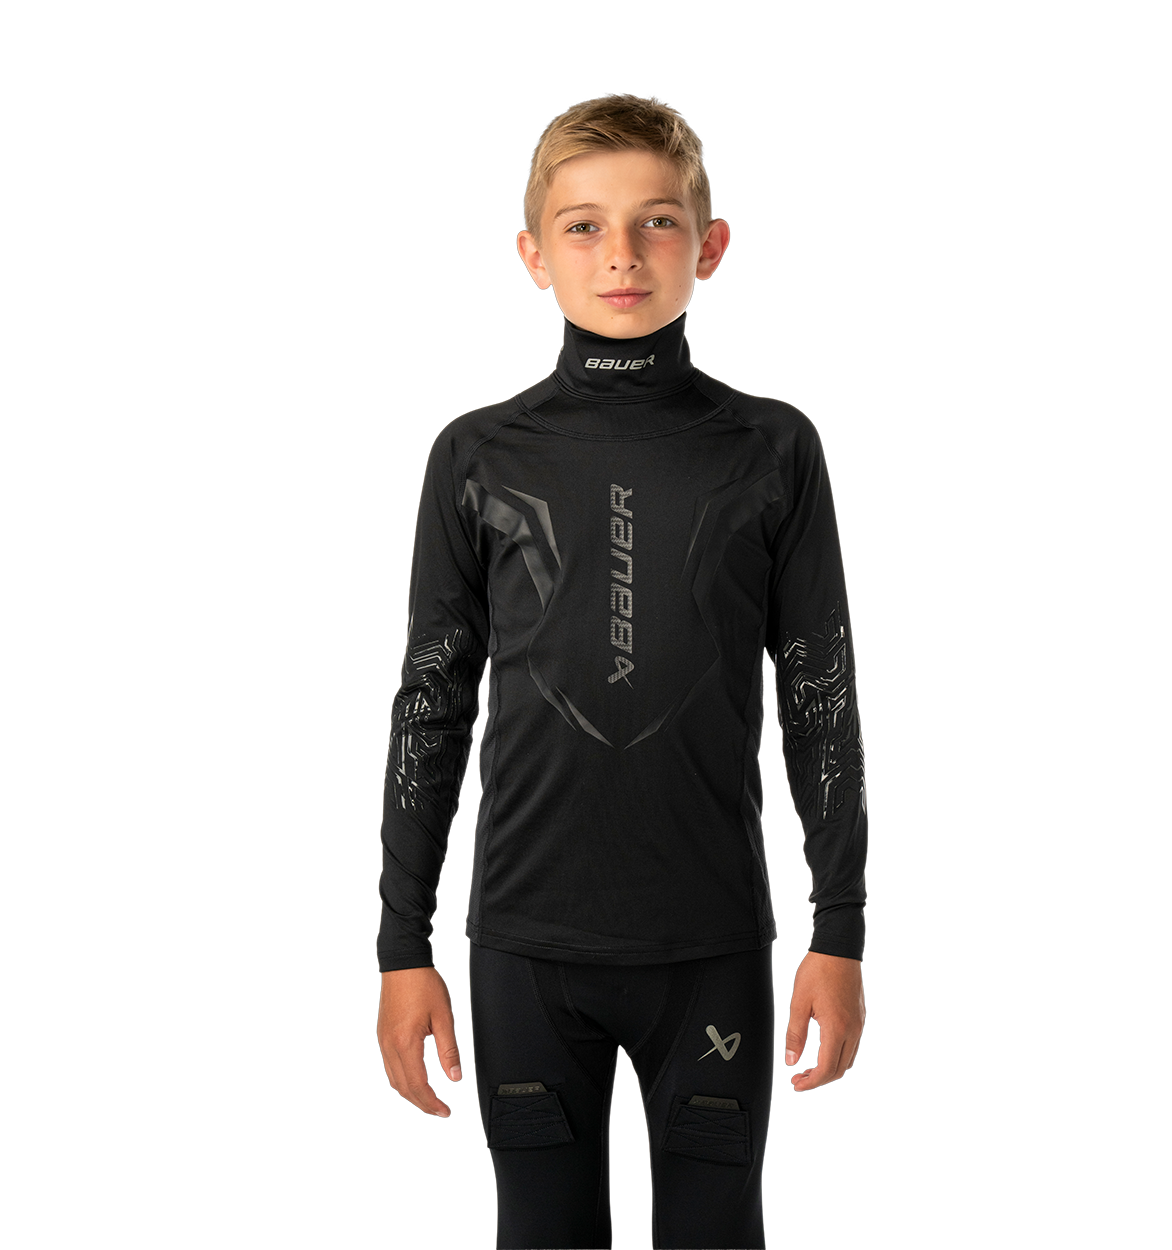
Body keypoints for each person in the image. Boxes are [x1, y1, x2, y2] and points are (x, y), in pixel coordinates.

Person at [376, 93, 867, 1250]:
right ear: (532, 256)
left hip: (713, 945)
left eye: (655, 221)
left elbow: (822, 700)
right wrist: (401, 948)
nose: (622, 254)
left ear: (710, 244)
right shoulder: (473, 453)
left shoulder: (774, 447)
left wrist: (840, 929)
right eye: (584, 225)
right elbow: (429, 708)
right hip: (521, 947)